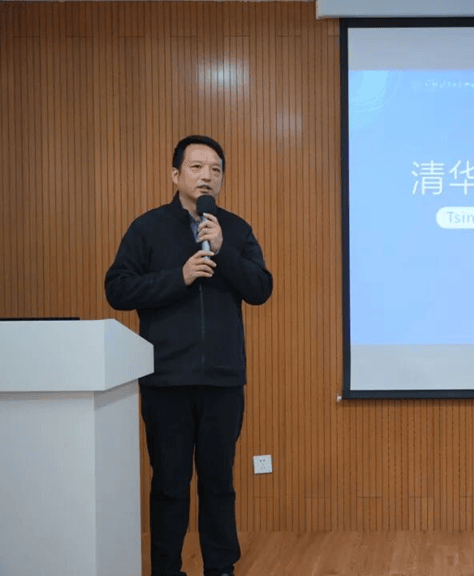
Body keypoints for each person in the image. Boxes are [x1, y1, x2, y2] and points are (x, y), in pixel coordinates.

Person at [105, 135, 273, 576]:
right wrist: (177, 278)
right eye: (197, 167)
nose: (207, 177)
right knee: (170, 485)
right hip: (167, 380)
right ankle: (166, 569)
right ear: (175, 174)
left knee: (219, 484)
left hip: (222, 380)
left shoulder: (234, 229)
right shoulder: (147, 228)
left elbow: (261, 288)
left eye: (216, 170)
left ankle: (221, 567)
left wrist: (224, 251)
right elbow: (117, 288)